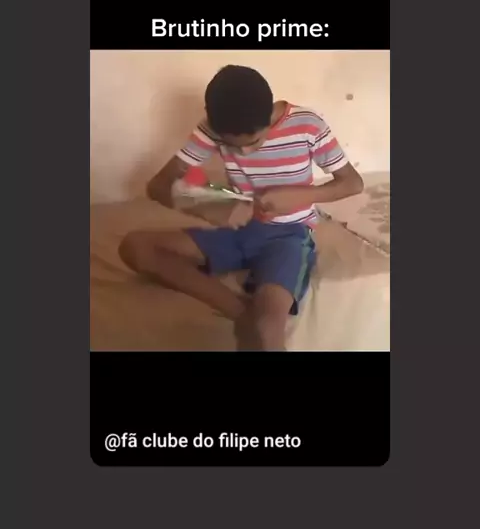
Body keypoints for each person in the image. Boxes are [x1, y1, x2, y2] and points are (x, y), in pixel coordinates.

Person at [119, 65, 364, 350]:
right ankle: (240, 312)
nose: (245, 152)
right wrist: (208, 207)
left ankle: (254, 320)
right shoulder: (211, 128)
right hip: (237, 230)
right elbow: (158, 186)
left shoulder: (307, 124)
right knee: (136, 247)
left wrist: (298, 195)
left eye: (255, 142)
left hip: (289, 234)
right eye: (232, 146)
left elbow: (352, 183)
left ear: (268, 115)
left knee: (268, 326)